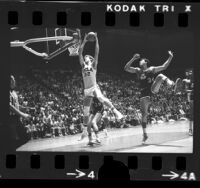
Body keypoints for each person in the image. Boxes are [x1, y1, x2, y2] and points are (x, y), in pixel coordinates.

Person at [124, 51, 182, 144]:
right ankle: (145, 134)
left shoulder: (151, 69)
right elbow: (126, 68)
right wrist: (133, 58)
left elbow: (164, 66)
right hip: (143, 95)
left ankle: (172, 84)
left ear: (145, 62)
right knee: (144, 114)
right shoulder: (138, 70)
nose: (140, 61)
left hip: (152, 90)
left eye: (141, 60)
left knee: (160, 75)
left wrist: (170, 57)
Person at [78, 32, 123, 144]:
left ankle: (116, 111)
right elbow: (80, 52)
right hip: (87, 90)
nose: (85, 56)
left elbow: (97, 52)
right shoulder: (83, 66)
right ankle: (85, 131)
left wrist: (97, 39)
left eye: (87, 56)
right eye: (85, 56)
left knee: (101, 98)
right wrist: (84, 41)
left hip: (93, 87)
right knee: (85, 112)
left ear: (91, 59)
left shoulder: (93, 65)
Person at [10, 75, 32, 147]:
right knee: (15, 139)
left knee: (24, 138)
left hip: (16, 118)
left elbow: (15, 104)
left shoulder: (14, 92)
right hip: (10, 118)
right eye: (13, 80)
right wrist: (23, 114)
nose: (14, 81)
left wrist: (23, 107)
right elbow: (9, 106)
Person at [182, 69, 193, 136]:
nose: (190, 74)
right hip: (192, 99)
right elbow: (186, 90)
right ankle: (190, 130)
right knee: (191, 116)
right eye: (189, 73)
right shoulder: (188, 82)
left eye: (191, 73)